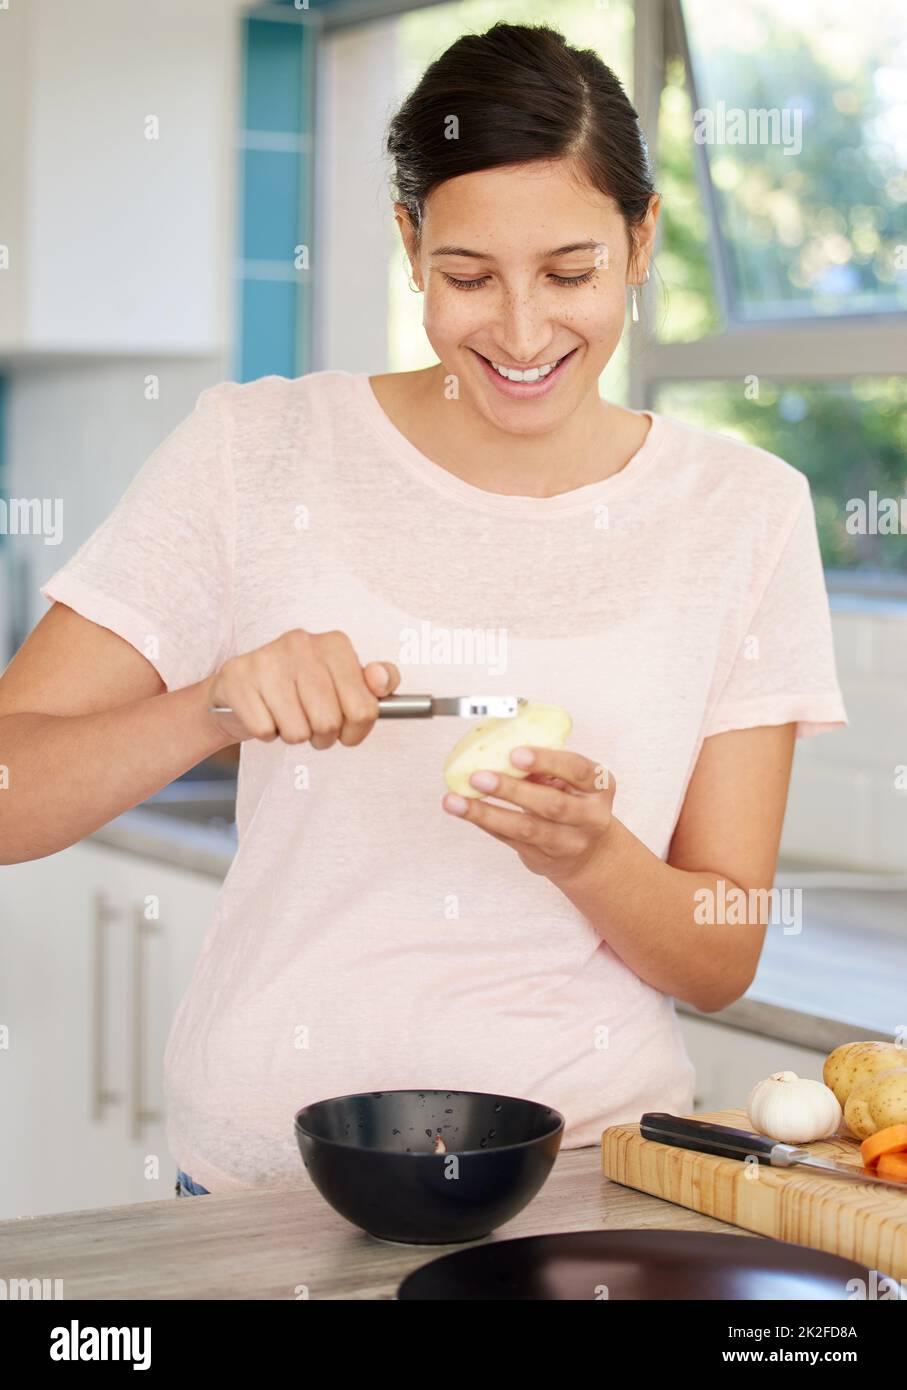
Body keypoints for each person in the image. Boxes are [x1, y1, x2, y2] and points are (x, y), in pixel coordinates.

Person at [0, 22, 845, 1196]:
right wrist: (211, 705)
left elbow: (718, 952)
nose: (518, 330)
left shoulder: (743, 511)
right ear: (408, 244)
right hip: (261, 1188)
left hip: (583, 1184)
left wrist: (593, 855)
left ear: (641, 241)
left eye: (569, 271)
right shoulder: (256, 448)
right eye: (466, 276)